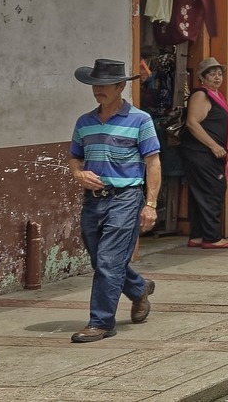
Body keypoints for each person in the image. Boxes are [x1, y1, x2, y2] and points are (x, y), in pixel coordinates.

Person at [67, 58, 161, 343]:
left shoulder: (140, 120)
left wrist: (151, 204)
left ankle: (101, 322)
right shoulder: (84, 122)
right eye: (95, 85)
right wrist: (79, 175)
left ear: (121, 86)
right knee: (102, 261)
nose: (99, 90)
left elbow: (153, 163)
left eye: (105, 85)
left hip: (126, 198)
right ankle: (138, 288)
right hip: (93, 201)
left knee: (108, 261)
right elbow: (74, 157)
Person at [179, 57, 228, 250]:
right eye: (212, 74)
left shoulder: (216, 96)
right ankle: (212, 237)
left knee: (201, 194)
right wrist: (213, 145)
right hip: (202, 153)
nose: (217, 77)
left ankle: (198, 235)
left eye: (219, 73)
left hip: (209, 154)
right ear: (202, 78)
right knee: (212, 191)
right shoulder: (201, 95)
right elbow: (192, 123)